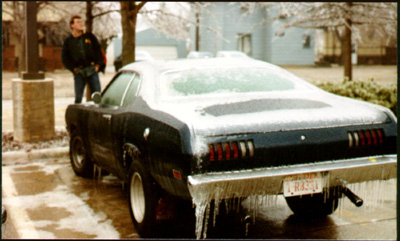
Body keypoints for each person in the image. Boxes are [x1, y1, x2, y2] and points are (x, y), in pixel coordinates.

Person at [61, 15, 104, 104]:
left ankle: (97, 114)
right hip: (79, 71)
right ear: (72, 25)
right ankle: (78, 116)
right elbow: (64, 58)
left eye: (81, 22)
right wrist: (74, 69)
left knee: (97, 96)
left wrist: (98, 65)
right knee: (78, 98)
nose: (81, 24)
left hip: (92, 69)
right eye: (78, 22)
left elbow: (99, 51)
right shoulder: (68, 41)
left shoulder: (89, 36)